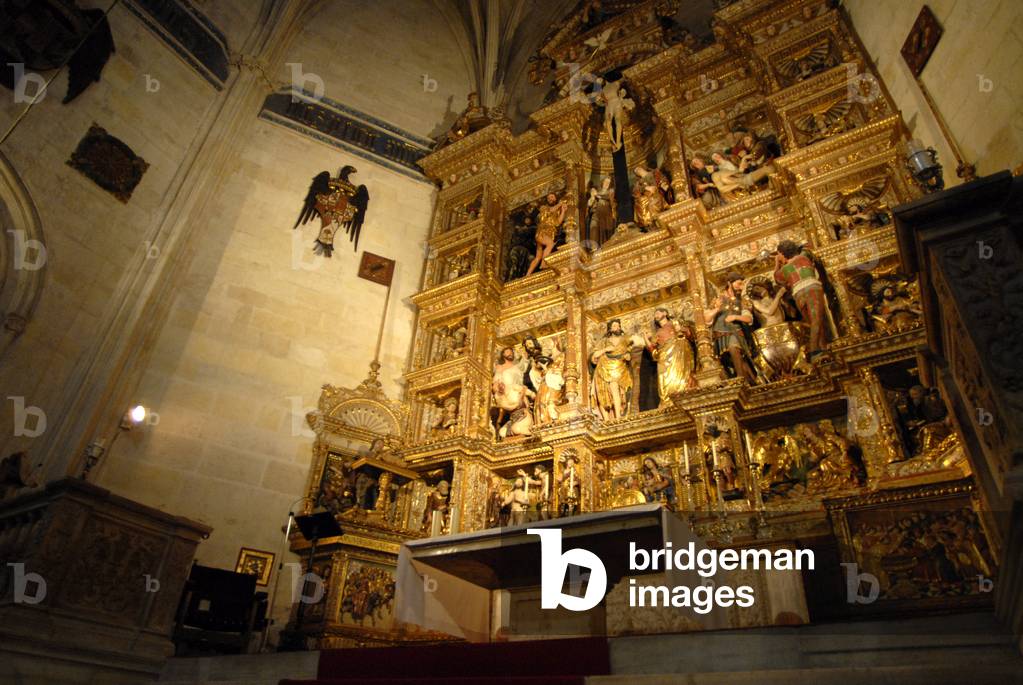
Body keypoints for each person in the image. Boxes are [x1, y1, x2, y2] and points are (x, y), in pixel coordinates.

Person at [773, 240, 829, 360]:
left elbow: (777, 278)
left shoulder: (785, 269)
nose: (778, 257)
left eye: (779, 254)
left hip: (798, 294)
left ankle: (823, 349)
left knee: (813, 323)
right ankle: (814, 350)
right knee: (817, 321)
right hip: (812, 289)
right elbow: (808, 248)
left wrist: (777, 263)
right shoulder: (803, 258)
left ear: (783, 253)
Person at [704, 272, 756, 382]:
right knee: (720, 363)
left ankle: (740, 377)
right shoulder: (718, 299)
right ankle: (745, 379)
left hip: (736, 333)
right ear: (729, 283)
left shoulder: (742, 301)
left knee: (733, 348)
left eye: (742, 285)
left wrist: (735, 317)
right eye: (739, 284)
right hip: (719, 336)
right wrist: (717, 309)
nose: (741, 287)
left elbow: (749, 318)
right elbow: (706, 319)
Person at [643, 308, 694, 404]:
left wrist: (681, 329)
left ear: (665, 313)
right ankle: (668, 400)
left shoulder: (674, 323)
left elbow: (689, 334)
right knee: (663, 376)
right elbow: (652, 350)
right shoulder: (657, 333)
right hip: (663, 356)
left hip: (677, 351)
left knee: (680, 373)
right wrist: (645, 339)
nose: (656, 316)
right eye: (655, 315)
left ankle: (683, 392)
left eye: (658, 313)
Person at [590, 319, 636, 420]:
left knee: (615, 387)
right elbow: (594, 356)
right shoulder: (604, 341)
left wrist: (628, 355)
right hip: (603, 367)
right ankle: (606, 419)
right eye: (615, 326)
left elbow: (633, 348)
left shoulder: (625, 339)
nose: (617, 327)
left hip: (619, 366)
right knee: (602, 391)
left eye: (618, 326)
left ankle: (618, 416)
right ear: (610, 329)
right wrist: (606, 349)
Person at [525, 193, 567, 277]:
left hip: (550, 233)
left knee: (538, 257)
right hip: (542, 232)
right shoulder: (544, 207)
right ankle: (543, 264)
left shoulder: (556, 211)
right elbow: (550, 210)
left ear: (555, 198)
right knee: (550, 244)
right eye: (548, 198)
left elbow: (558, 222)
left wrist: (563, 211)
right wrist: (560, 203)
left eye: (552, 197)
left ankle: (527, 275)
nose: (550, 199)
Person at [586, 177, 616, 245]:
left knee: (606, 232)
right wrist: (592, 197)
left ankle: (607, 245)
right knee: (593, 228)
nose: (606, 184)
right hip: (596, 215)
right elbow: (589, 204)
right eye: (605, 182)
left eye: (608, 183)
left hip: (606, 215)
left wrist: (597, 195)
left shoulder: (610, 191)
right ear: (602, 182)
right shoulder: (596, 192)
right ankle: (593, 248)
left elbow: (609, 198)